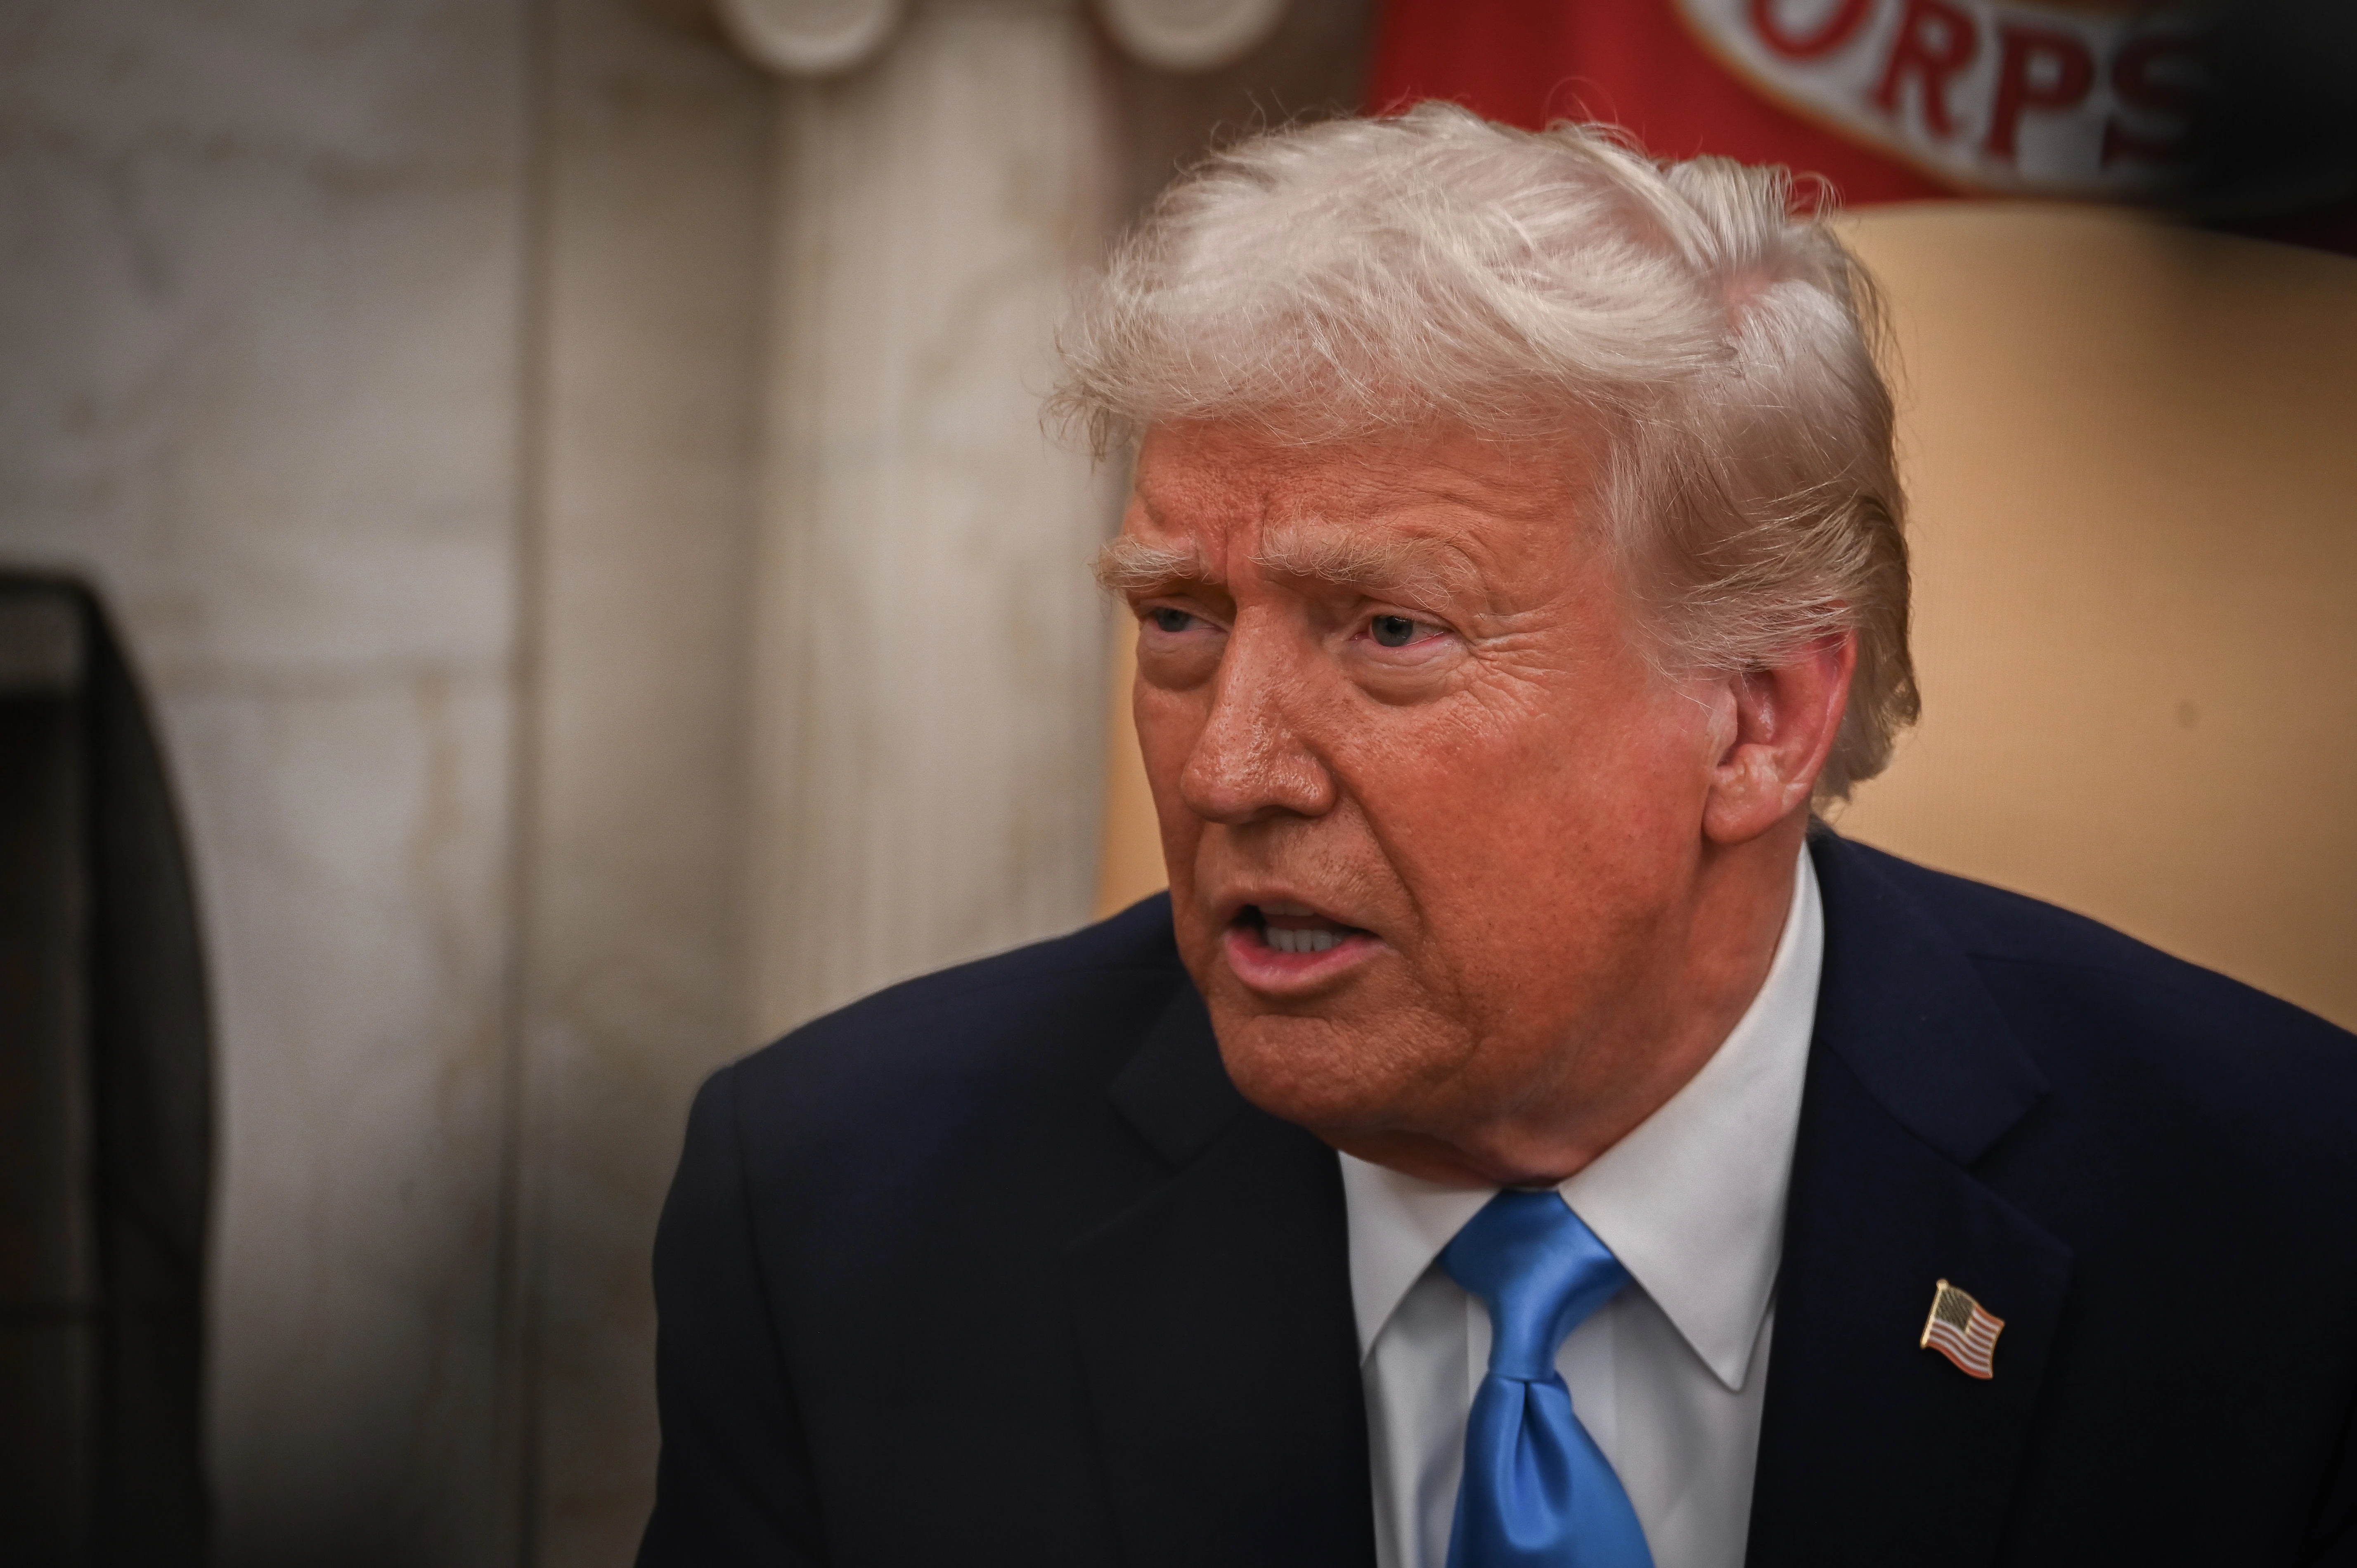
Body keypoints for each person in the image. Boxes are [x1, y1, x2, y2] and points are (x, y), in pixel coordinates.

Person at [635, 106, 2357, 1568]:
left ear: (1756, 717)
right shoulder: (836, 1222)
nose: (1227, 767)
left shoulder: (2280, 1239)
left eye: (1388, 631)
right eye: (1176, 620)